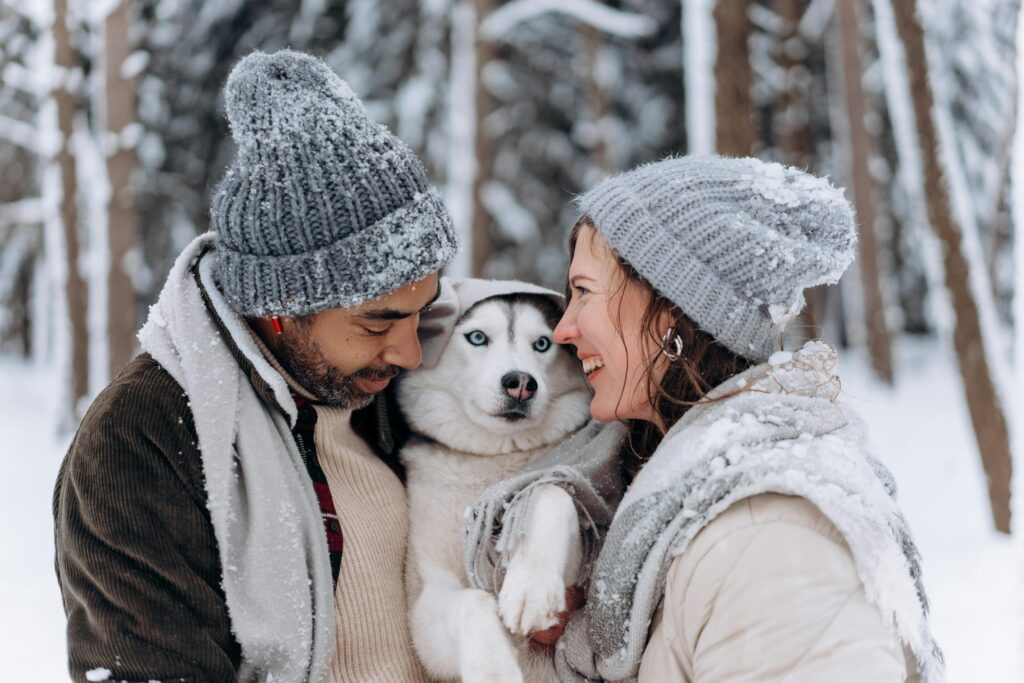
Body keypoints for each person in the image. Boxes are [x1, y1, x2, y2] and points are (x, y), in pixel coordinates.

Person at [52, 50, 457, 682]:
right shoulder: (141, 438)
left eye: (421, 312)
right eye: (378, 323)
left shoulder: (407, 381)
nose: (411, 352)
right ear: (280, 307)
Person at [547, 156, 944, 682]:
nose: (563, 328)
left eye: (584, 291)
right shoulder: (662, 498)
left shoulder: (771, 538)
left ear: (671, 309)